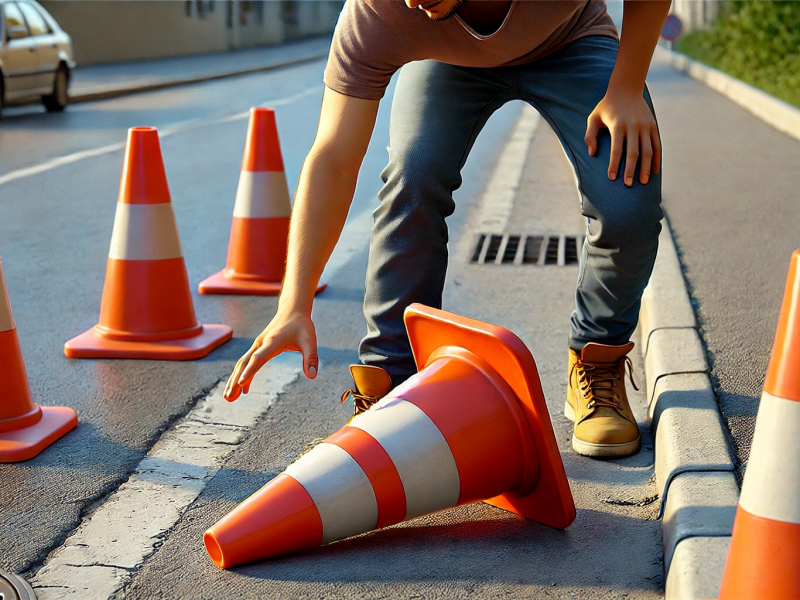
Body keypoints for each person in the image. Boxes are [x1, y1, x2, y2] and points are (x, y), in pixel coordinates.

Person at [224, 0, 671, 459]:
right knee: (412, 176)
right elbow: (333, 158)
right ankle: (392, 388)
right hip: (449, 62)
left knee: (627, 203)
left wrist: (627, 88)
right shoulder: (376, 15)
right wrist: (293, 305)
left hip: (569, 40)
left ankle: (597, 359)